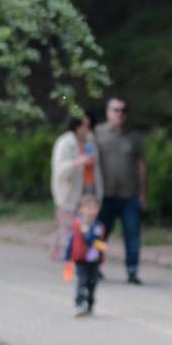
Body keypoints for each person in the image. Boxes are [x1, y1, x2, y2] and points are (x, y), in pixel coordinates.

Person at [94, 96, 146, 285]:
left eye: (123, 111)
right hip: (105, 194)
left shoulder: (134, 137)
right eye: (115, 110)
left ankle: (132, 270)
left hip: (129, 195)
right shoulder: (99, 133)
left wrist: (142, 194)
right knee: (101, 234)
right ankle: (96, 265)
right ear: (108, 112)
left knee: (132, 234)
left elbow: (141, 166)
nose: (119, 114)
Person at [50, 115, 102, 260]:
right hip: (70, 193)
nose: (88, 128)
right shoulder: (65, 143)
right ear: (76, 127)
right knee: (67, 227)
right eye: (85, 125)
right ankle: (66, 255)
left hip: (89, 188)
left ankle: (84, 256)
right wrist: (77, 162)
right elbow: (60, 170)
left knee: (87, 226)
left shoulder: (91, 141)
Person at [65, 194, 107, 317]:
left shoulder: (99, 226)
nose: (90, 211)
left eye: (93, 208)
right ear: (81, 209)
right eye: (86, 208)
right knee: (82, 280)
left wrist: (102, 252)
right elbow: (71, 240)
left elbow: (97, 242)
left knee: (92, 282)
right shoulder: (77, 224)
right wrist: (68, 256)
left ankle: (89, 303)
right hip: (81, 259)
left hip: (94, 260)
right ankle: (79, 303)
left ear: (98, 209)